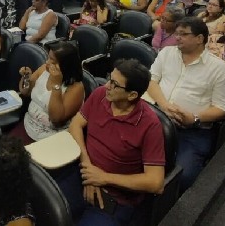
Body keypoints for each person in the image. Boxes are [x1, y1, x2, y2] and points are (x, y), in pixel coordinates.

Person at [57, 59, 165, 225]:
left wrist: (103, 178)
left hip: (115, 196)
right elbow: (75, 125)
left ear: (132, 95)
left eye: (114, 84)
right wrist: (88, 169)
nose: (107, 85)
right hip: (83, 173)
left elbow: (156, 183)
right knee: (47, 209)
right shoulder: (101, 94)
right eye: (110, 78)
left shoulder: (150, 125)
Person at [147, 17, 225, 193]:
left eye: (183, 34)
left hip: (192, 130)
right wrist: (164, 105)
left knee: (183, 176)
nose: (177, 37)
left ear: (199, 38)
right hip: (157, 119)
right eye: (176, 33)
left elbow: (224, 108)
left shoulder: (219, 69)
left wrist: (194, 118)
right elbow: (152, 81)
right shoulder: (167, 53)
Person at [11, 41, 85, 144]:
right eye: (48, 58)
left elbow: (56, 119)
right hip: (28, 125)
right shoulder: (43, 69)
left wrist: (56, 85)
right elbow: (25, 91)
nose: (47, 62)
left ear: (66, 65)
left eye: (53, 61)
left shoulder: (76, 87)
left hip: (51, 137)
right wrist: (26, 77)